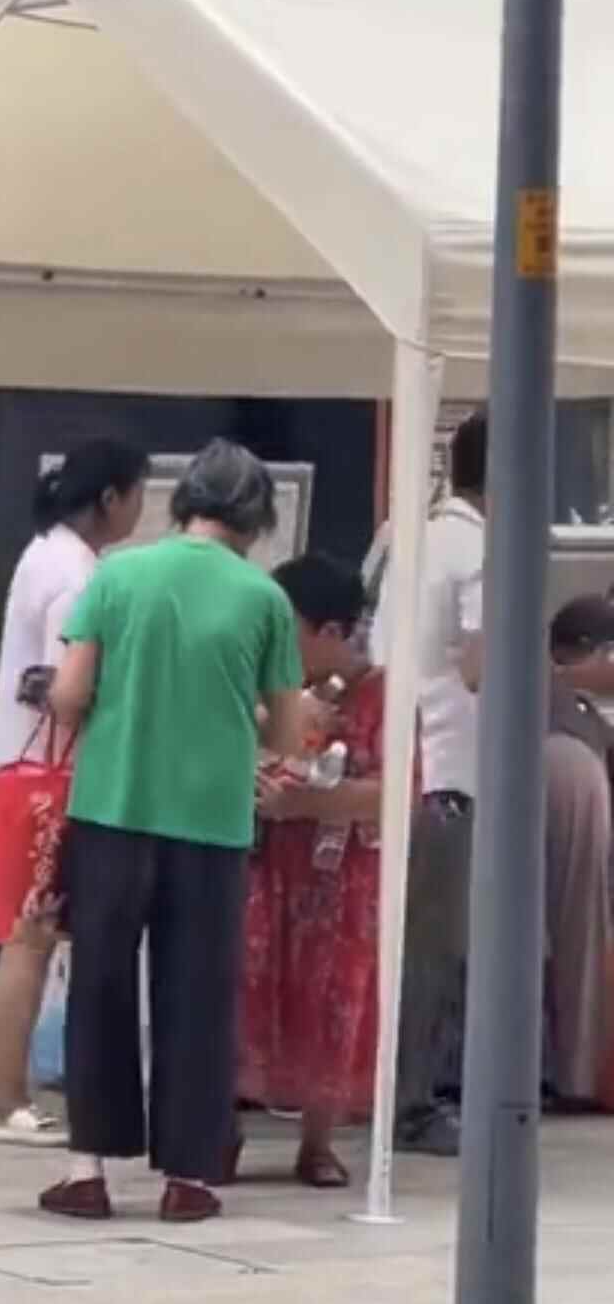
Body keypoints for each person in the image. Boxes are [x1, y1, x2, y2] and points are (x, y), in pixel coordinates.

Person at [40, 440, 304, 1224]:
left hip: (113, 809)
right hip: (211, 823)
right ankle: (189, 1178)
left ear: (182, 501)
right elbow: (286, 734)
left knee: (100, 987)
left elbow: (70, 694)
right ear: (256, 519)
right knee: (198, 996)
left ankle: (86, 1171)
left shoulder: (117, 576)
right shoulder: (264, 599)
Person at [0, 439, 149, 1147]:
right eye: (137, 494)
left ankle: (11, 1096)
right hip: (54, 788)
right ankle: (6, 1103)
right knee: (32, 939)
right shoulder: (77, 575)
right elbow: (61, 689)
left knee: (30, 938)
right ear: (110, 498)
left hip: (25, 779)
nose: (140, 510)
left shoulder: (44, 552)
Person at [238, 554, 394, 1188]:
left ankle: (319, 1141)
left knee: (336, 998)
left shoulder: (384, 695)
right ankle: (223, 1128)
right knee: (250, 990)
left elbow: (396, 791)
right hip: (268, 866)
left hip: (343, 876)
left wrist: (305, 803)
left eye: (290, 631)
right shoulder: (272, 690)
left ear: (332, 631)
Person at [372, 408, 487, 1158]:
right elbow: (481, 664)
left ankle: (392, 1090)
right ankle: (412, 1104)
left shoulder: (412, 535)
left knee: (399, 943)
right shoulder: (480, 548)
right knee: (432, 949)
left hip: (402, 760)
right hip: (448, 773)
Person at [544, 597, 614, 1108]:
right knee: (575, 942)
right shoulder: (559, 705)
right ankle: (574, 1074)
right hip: (569, 822)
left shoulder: (575, 705)